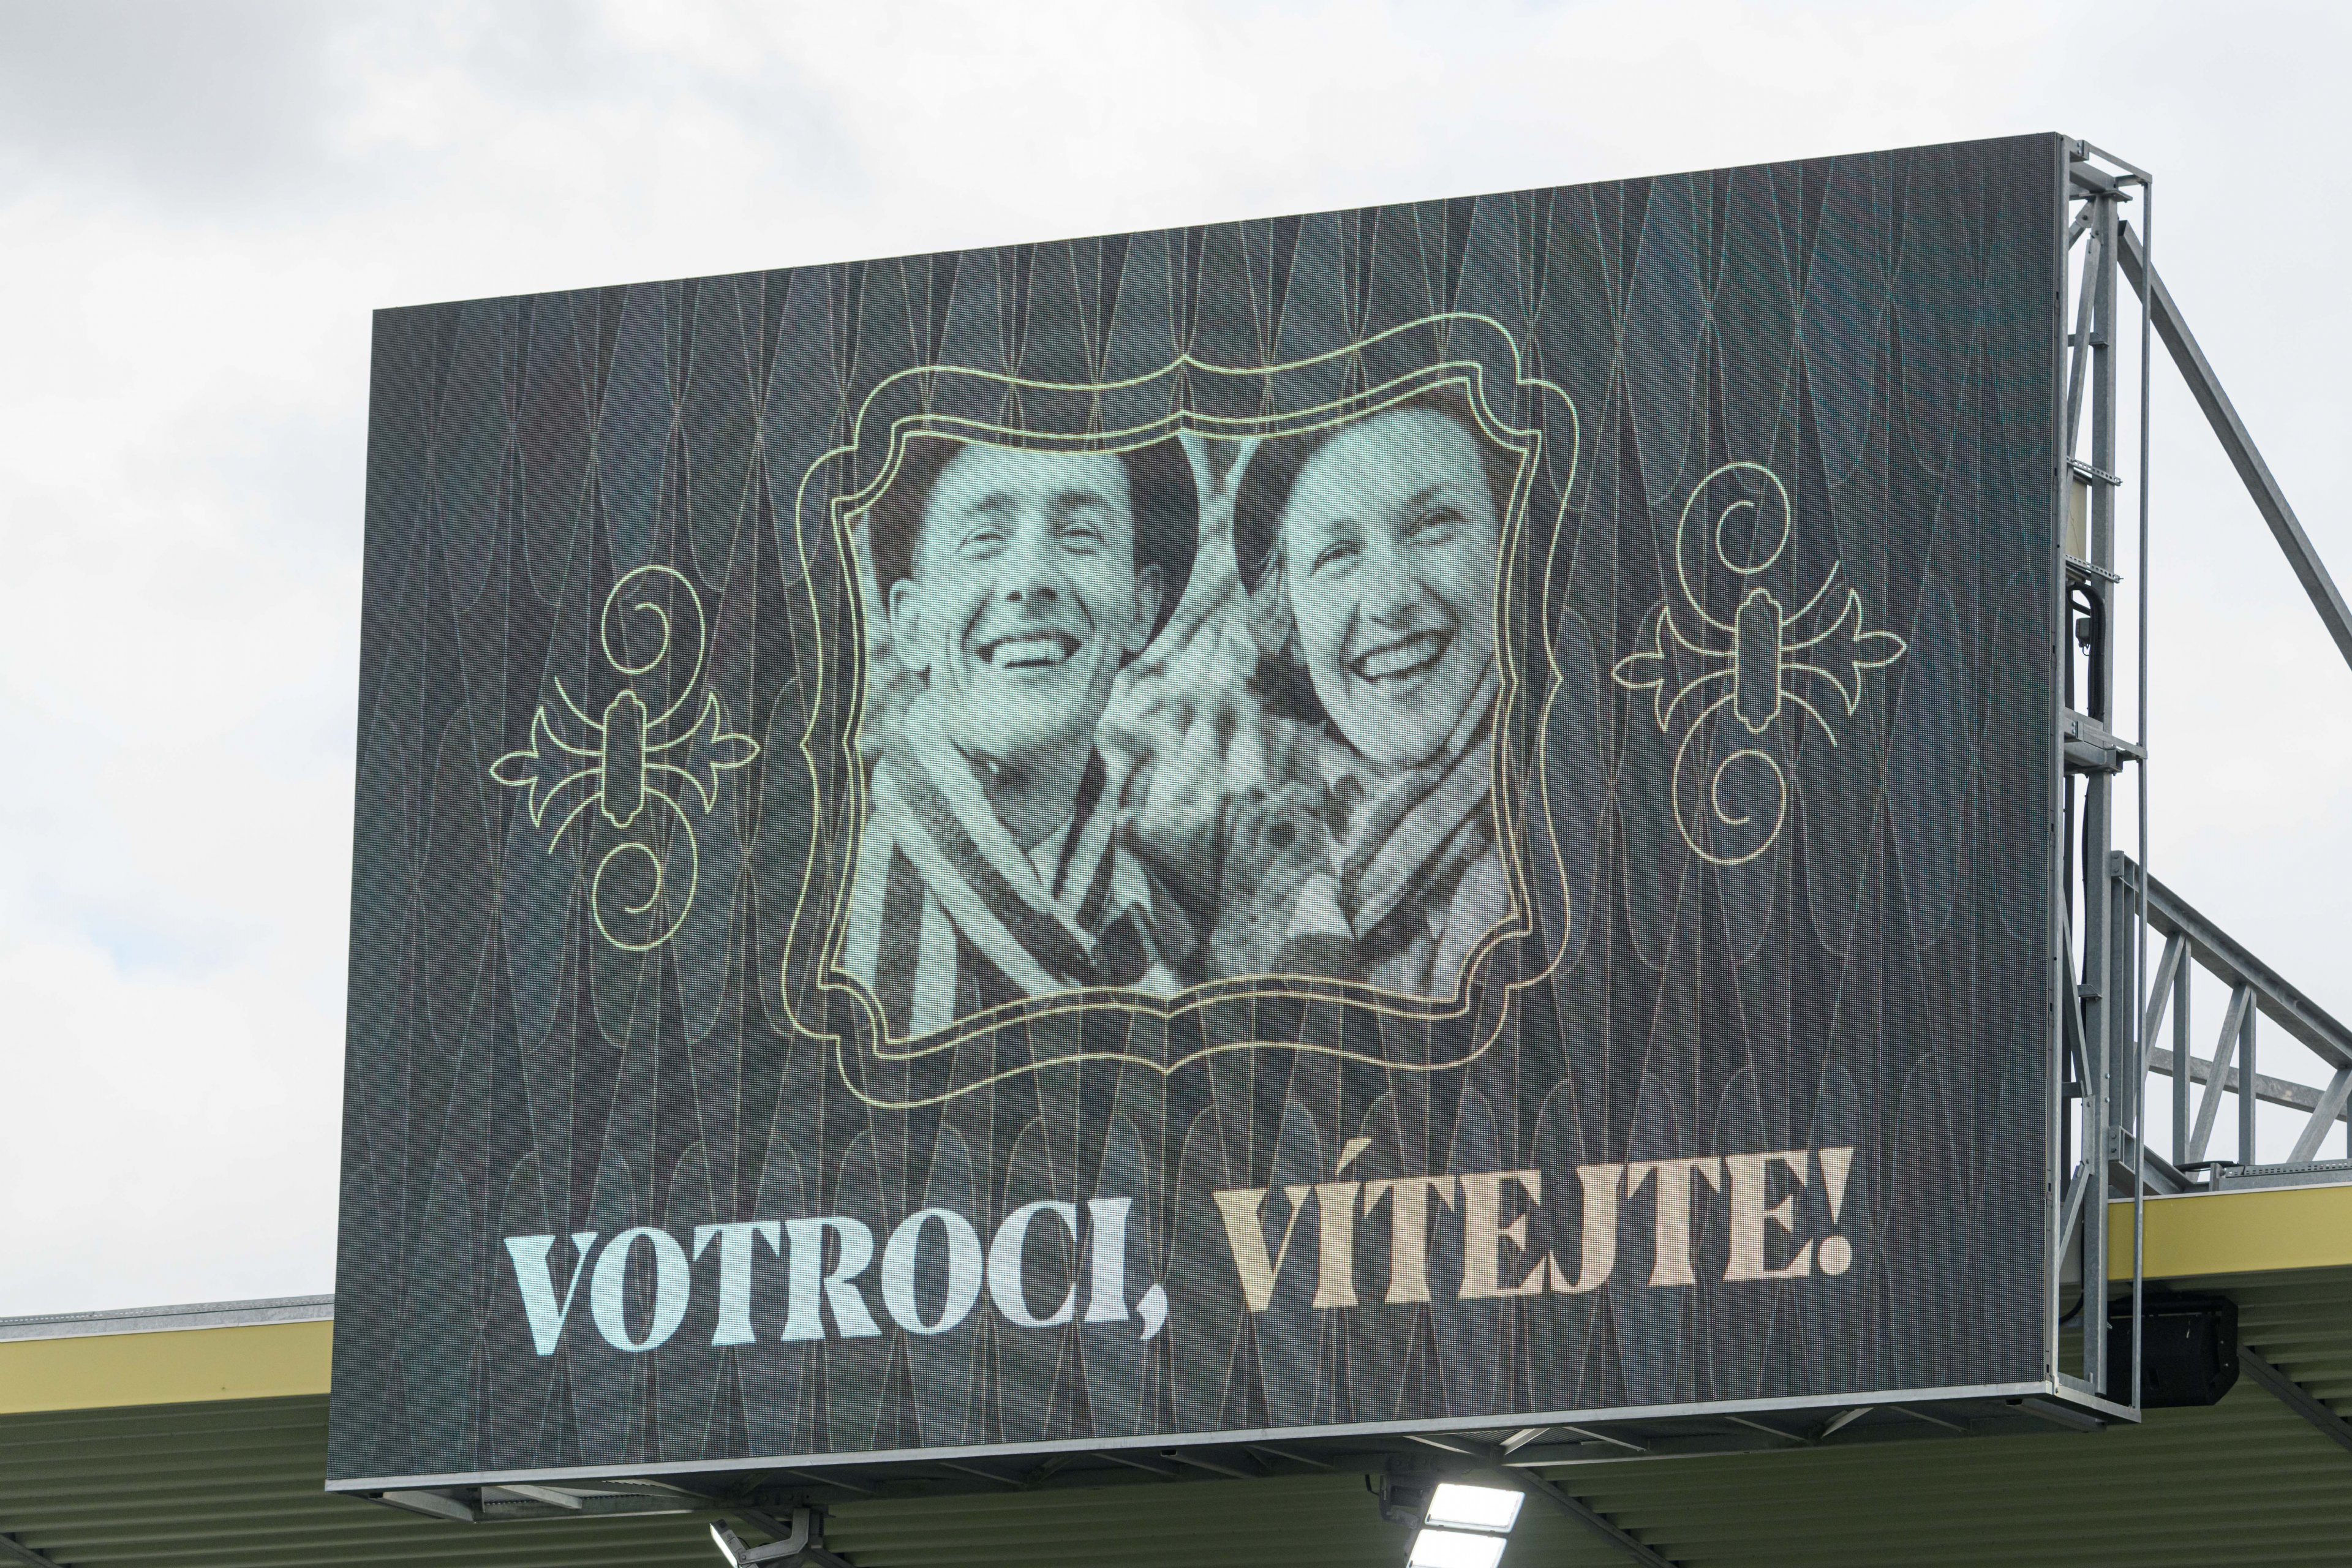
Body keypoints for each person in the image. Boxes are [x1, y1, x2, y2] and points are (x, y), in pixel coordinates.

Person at [1137, 388, 1518, 998]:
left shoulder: (1572, 838)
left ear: (1513, 547)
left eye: (1432, 525)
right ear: (1292, 621)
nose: (1390, 598)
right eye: (1338, 554)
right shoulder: (1269, 843)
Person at [837, 434, 1200, 1040]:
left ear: (1139, 610)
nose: (1030, 576)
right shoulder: (803, 909)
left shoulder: (1181, 933)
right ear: (913, 625)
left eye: (1080, 533)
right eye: (984, 537)